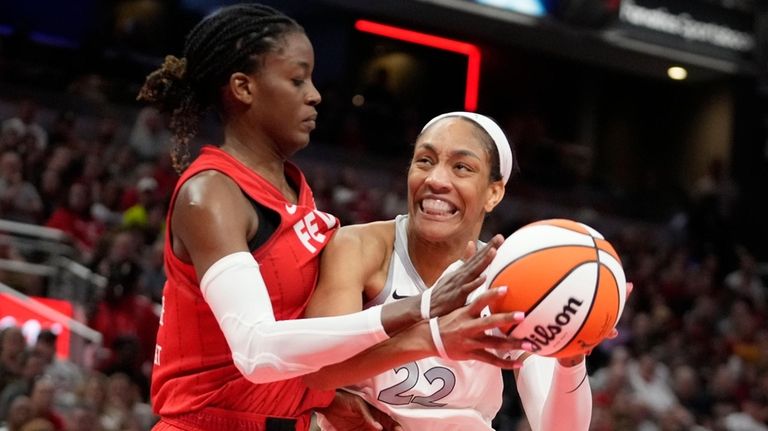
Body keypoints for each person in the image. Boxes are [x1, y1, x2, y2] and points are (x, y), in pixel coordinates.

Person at [137, 4, 527, 431]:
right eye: (297, 78)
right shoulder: (209, 194)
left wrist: (330, 397)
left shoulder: (293, 190)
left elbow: (305, 348)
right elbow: (255, 350)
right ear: (244, 87)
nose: (315, 94)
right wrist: (423, 310)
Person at [305, 112, 597, 430]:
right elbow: (317, 369)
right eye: (425, 161)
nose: (436, 179)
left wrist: (571, 360)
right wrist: (434, 338)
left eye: (461, 167)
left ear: (494, 193)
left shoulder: (511, 280)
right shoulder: (359, 247)